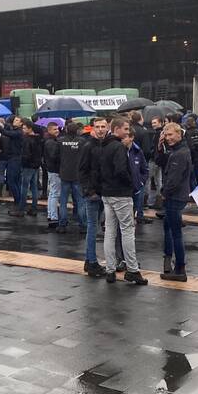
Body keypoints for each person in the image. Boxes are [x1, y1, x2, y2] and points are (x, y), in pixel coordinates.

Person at [97, 118, 147, 285]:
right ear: (117, 129)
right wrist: (131, 185)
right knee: (127, 231)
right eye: (125, 129)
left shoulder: (104, 145)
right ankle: (132, 269)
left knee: (110, 231)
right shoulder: (118, 147)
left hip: (107, 192)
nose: (128, 132)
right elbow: (120, 170)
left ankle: (110, 269)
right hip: (121, 193)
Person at [158, 122, 192, 282]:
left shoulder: (180, 153)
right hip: (177, 195)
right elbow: (162, 162)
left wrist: (165, 193)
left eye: (171, 135)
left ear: (179, 134)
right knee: (169, 228)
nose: (167, 138)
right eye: (166, 135)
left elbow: (174, 179)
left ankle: (179, 268)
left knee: (176, 233)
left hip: (175, 197)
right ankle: (172, 262)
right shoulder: (178, 150)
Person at [79, 117, 109, 276]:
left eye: (103, 126)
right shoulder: (88, 145)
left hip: (101, 191)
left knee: (94, 226)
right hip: (93, 193)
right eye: (97, 126)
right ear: (92, 128)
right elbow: (82, 170)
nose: (100, 129)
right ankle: (91, 261)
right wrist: (89, 191)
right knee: (92, 227)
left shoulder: (102, 144)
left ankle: (89, 260)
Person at [56, 122, 86, 233]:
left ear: (67, 130)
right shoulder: (82, 142)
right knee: (80, 201)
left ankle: (62, 224)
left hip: (64, 173)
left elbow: (56, 156)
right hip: (77, 174)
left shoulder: (60, 141)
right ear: (77, 130)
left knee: (63, 201)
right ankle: (83, 224)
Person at [18, 121, 43, 217]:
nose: (23, 130)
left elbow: (26, 155)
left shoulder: (27, 140)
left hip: (27, 166)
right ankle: (34, 208)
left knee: (24, 187)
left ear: (30, 128)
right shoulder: (38, 139)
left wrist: (23, 163)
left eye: (24, 128)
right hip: (35, 165)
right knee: (34, 187)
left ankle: (21, 209)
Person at [43, 122, 61, 229]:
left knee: (52, 193)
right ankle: (53, 216)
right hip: (54, 170)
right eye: (54, 129)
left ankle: (51, 214)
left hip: (51, 169)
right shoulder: (51, 143)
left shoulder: (50, 141)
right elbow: (54, 156)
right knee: (54, 194)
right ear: (49, 130)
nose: (57, 131)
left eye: (57, 129)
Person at [145, 116, 165, 205]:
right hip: (158, 160)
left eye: (155, 123)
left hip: (154, 159)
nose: (153, 125)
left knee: (149, 179)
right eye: (152, 123)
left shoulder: (158, 133)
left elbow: (156, 147)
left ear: (161, 123)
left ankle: (148, 200)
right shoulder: (159, 132)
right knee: (158, 180)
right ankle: (159, 199)